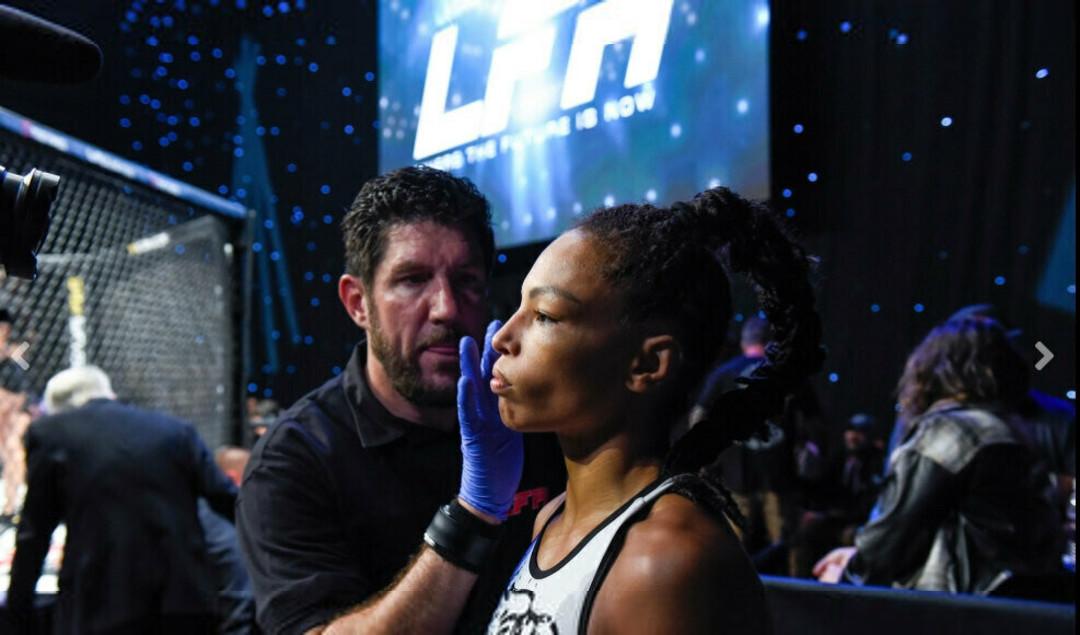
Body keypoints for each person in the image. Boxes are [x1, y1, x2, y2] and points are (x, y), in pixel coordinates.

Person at [235, 166, 564, 634]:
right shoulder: (295, 461)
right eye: (412, 279)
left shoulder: (539, 420)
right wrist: (473, 516)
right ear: (358, 303)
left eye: (467, 280)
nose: (446, 308)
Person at [478, 187, 822, 632]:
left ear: (646, 364)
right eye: (519, 307)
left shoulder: (662, 560)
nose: (502, 337)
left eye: (545, 315)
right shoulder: (551, 519)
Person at [814, 317, 1063, 595]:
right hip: (1014, 600)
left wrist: (847, 576)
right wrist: (856, 555)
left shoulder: (949, 431)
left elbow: (895, 534)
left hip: (955, 604)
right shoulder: (1014, 433)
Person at [7, 365, 239, 632]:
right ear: (109, 394)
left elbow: (35, 530)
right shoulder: (175, 430)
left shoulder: (51, 432)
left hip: (103, 600)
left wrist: (18, 610)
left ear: (58, 410)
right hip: (185, 597)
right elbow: (226, 499)